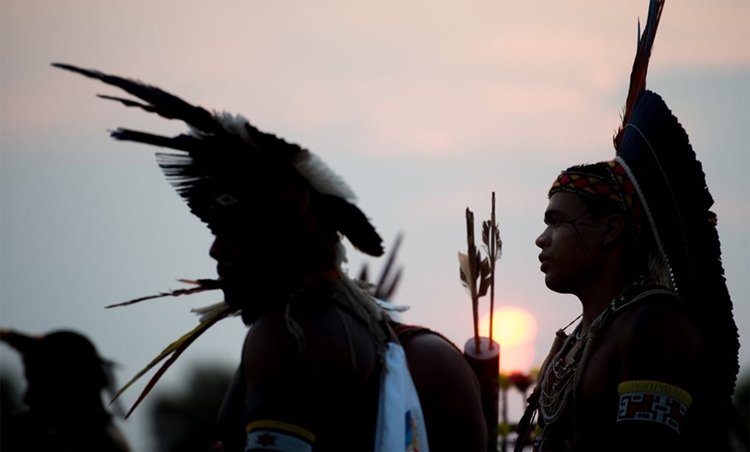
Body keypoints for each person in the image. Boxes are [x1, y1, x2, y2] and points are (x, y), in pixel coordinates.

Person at [53, 62, 484, 451]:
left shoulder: (287, 336)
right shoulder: (423, 353)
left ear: (281, 243)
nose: (215, 249)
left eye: (231, 233)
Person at [515, 1, 740, 451]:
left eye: (557, 222)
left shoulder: (654, 327)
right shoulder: (575, 344)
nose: (541, 239)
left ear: (611, 229)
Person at [0, 329, 130, 451]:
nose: (27, 397)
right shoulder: (101, 436)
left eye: (40, 385)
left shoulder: (88, 443)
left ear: (71, 385)